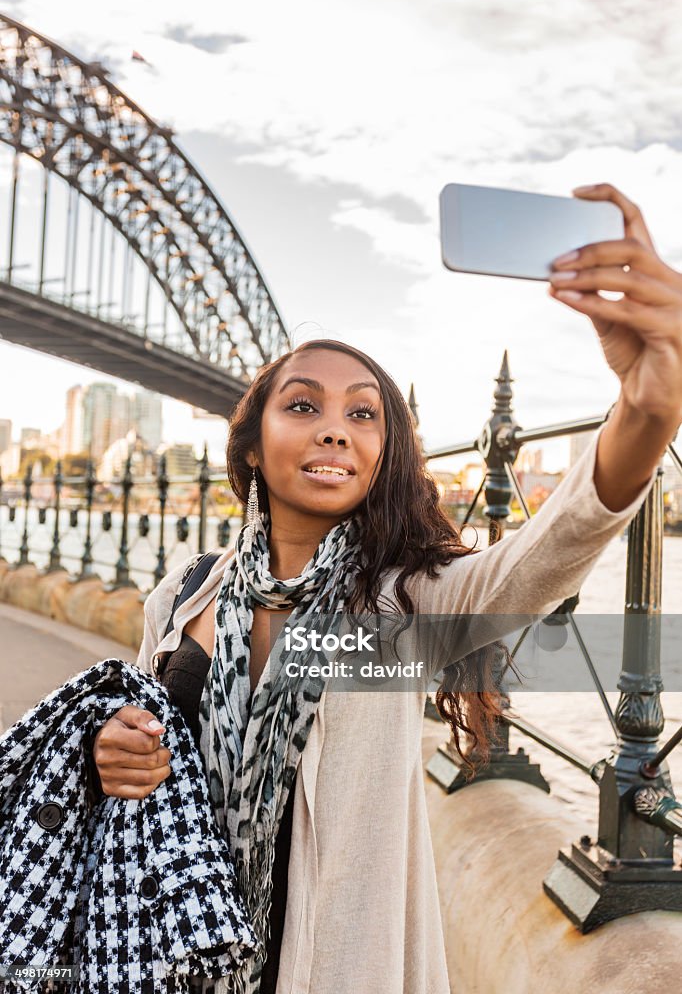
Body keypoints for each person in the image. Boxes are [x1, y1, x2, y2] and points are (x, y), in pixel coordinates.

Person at [92, 182, 682, 994]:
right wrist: (117, 753)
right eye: (303, 405)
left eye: (363, 415)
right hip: (171, 962)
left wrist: (648, 409)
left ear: (380, 457)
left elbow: (550, 553)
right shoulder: (180, 598)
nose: (335, 426)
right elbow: (144, 758)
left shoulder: (405, 610)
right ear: (255, 446)